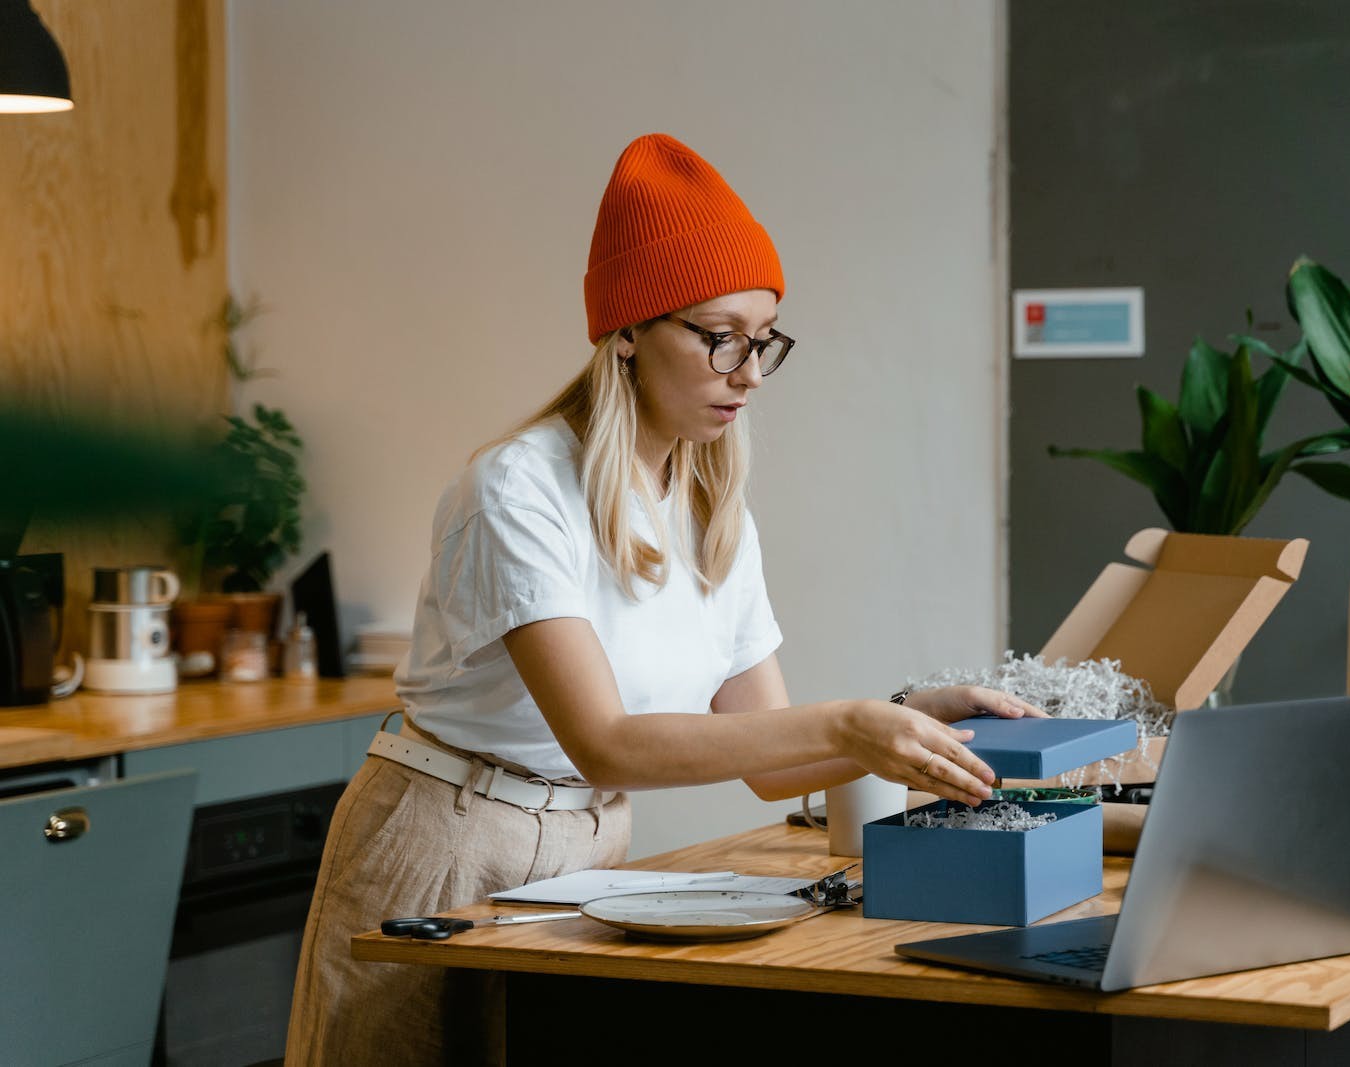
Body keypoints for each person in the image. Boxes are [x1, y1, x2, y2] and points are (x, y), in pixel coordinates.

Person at [284, 132, 1040, 1066]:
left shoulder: (711, 508)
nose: (749, 371)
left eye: (764, 341)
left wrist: (901, 716)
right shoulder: (517, 488)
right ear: (630, 330)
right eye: (719, 335)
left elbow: (770, 757)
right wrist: (852, 726)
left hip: (592, 853)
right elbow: (604, 740)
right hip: (448, 840)